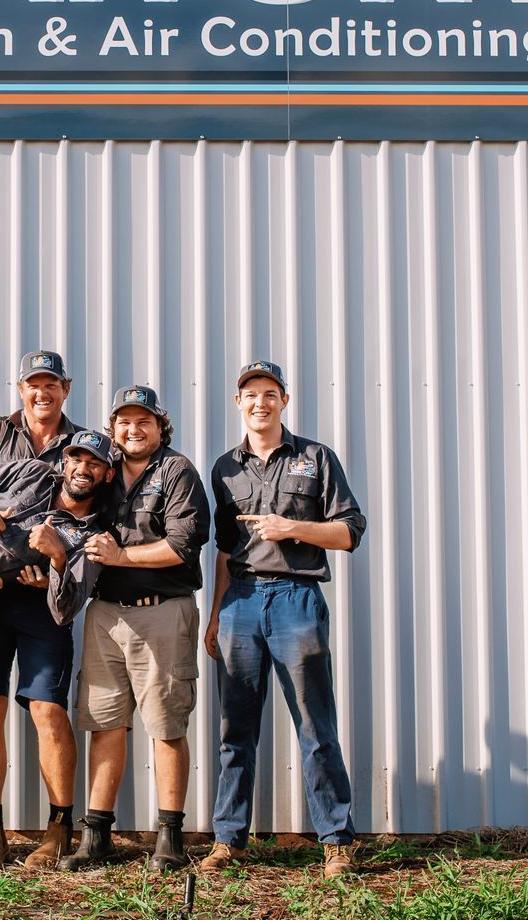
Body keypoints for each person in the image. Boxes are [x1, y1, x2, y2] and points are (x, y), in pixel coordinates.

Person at [203, 361, 368, 878]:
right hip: (242, 602)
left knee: (315, 725)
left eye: (269, 394)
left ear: (284, 401)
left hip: (297, 600)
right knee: (236, 729)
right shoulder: (224, 468)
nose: (260, 403)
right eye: (250, 394)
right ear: (238, 403)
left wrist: (292, 526)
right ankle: (229, 840)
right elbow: (226, 552)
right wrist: (215, 617)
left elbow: (348, 532)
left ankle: (337, 841)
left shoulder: (316, 458)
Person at [0, 432, 113, 872]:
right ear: (64, 461)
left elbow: (67, 607)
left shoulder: (95, 532)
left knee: (48, 711)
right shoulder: (32, 472)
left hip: (42, 617)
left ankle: (59, 830)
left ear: (107, 473)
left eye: (94, 463)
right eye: (76, 458)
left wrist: (57, 561)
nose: (82, 468)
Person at [63, 386, 209, 873]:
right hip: (105, 613)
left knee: (166, 725)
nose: (133, 429)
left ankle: (169, 837)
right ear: (113, 429)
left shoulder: (177, 471)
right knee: (104, 723)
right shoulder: (101, 473)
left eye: (143, 421)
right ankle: (96, 836)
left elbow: (185, 545)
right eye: (123, 422)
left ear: (159, 427)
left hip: (161, 610)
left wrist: (124, 556)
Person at [0, 350, 80, 469]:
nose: (41, 394)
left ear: (66, 390)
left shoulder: (81, 443)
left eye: (50, 386)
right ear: (21, 390)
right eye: (33, 386)